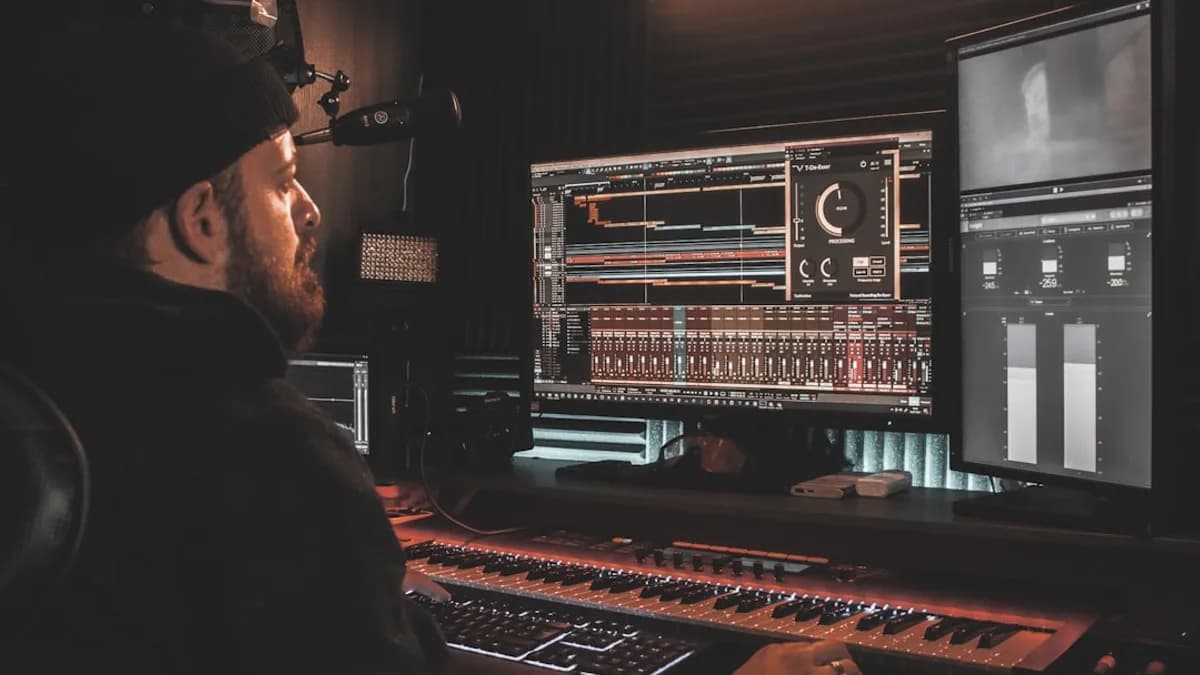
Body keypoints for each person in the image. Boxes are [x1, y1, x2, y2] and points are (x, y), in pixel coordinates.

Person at [1, 22, 861, 675]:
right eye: (284, 181)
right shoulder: (259, 450)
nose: (310, 211)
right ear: (199, 218)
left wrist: (374, 596)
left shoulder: (45, 395)